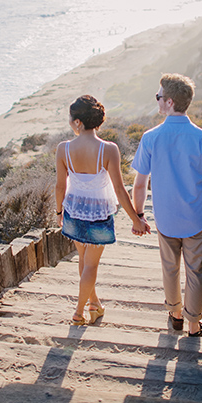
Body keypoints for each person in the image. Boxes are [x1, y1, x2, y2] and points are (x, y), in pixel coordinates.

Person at [132, 73, 202, 337]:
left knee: (169, 268)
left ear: (170, 102)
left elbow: (140, 184)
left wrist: (139, 214)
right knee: (195, 271)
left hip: (166, 219)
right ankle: (194, 325)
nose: (157, 101)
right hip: (196, 218)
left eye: (159, 97)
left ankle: (175, 314)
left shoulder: (151, 138)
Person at [55, 95, 150, 326]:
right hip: (98, 214)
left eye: (71, 119)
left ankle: (94, 304)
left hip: (73, 211)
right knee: (90, 264)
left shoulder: (63, 149)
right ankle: (79, 312)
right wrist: (136, 219)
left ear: (78, 122)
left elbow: (59, 186)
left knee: (84, 260)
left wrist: (59, 213)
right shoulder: (109, 149)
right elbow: (119, 189)